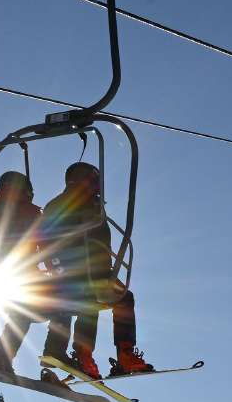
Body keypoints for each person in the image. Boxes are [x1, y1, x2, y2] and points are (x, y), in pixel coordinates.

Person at [38, 162, 154, 380]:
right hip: (83, 269)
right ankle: (97, 354)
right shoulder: (76, 202)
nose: (97, 186)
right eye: (93, 181)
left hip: (84, 270)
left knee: (118, 298)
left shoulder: (82, 204)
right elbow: (54, 233)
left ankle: (104, 353)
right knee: (97, 299)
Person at [0, 171, 44, 372]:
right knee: (55, 304)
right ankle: (57, 351)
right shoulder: (31, 212)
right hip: (23, 271)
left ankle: (1, 356)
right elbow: (44, 241)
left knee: (22, 314)